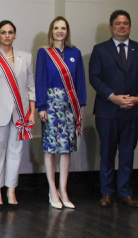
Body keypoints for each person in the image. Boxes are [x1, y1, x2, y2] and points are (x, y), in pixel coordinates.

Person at [89, 10, 138, 208]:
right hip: (107, 111)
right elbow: (95, 78)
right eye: (118, 23)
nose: (122, 26)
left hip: (134, 111)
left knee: (127, 153)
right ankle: (107, 193)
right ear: (111, 27)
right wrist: (113, 98)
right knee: (107, 153)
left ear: (130, 26)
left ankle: (125, 193)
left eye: (126, 23)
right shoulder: (100, 50)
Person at [0, 20, 35, 210]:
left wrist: (32, 112)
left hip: (20, 113)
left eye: (10, 32)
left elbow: (30, 86)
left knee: (15, 153)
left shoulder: (25, 57)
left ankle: (11, 190)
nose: (7, 35)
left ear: (15, 35)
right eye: (3, 32)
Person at [35, 16, 86, 209]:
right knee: (50, 148)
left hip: (70, 105)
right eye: (56, 28)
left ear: (67, 31)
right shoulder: (44, 52)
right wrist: (41, 106)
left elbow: (80, 80)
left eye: (63, 28)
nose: (60, 31)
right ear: (51, 31)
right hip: (50, 103)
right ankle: (52, 190)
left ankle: (63, 190)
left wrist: (80, 105)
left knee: (66, 149)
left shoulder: (75, 52)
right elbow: (40, 79)